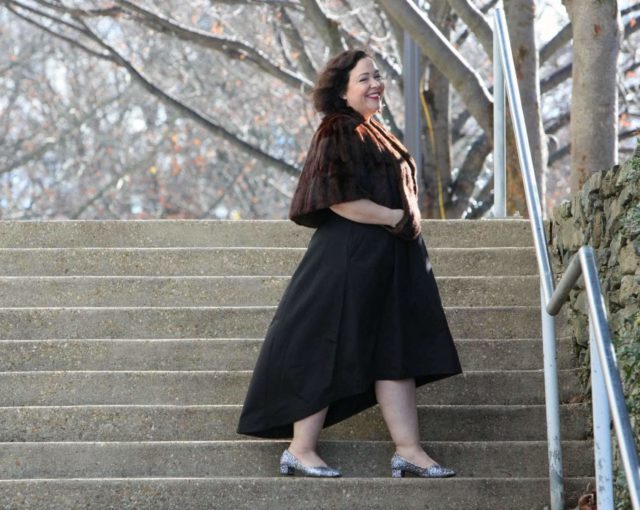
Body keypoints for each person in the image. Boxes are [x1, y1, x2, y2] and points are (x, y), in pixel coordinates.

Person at [236, 49, 462, 479]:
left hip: (387, 257)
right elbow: (338, 200)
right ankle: (300, 449)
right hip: (350, 256)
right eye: (364, 79)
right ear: (342, 90)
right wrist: (396, 217)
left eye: (377, 76)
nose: (375, 84)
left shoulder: (373, 130)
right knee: (324, 343)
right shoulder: (338, 130)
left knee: (395, 349)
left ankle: (409, 451)